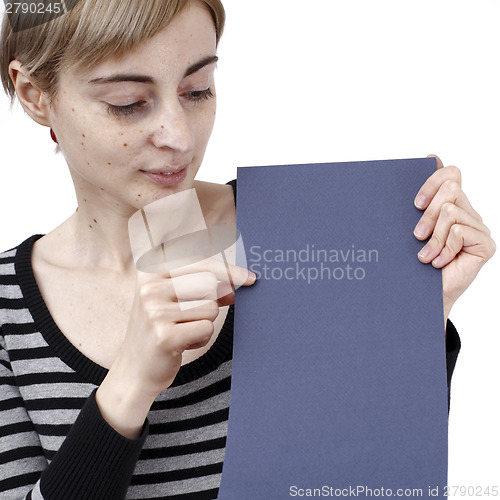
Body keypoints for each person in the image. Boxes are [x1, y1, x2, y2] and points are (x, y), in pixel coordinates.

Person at [0, 0, 495, 498]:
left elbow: (375, 483)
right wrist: (127, 389)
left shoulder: (311, 232)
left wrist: (410, 325)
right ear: (34, 94)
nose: (180, 136)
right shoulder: (7, 309)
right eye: (129, 102)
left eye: (198, 90)